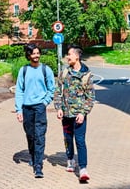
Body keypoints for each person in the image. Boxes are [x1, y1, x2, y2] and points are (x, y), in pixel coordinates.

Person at [54, 45, 95, 182]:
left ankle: (83, 168)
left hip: (79, 115)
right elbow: (58, 91)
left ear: (77, 56)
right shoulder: (64, 73)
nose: (67, 56)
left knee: (80, 140)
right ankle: (70, 159)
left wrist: (83, 113)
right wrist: (58, 107)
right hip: (66, 114)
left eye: (69, 54)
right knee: (67, 139)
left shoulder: (86, 75)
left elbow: (90, 98)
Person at [14, 43, 56, 178]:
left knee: (39, 135)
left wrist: (45, 102)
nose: (36, 56)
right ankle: (32, 156)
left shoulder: (46, 70)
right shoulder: (23, 70)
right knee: (30, 135)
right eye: (33, 53)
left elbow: (52, 89)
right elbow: (19, 90)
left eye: (38, 53)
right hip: (26, 108)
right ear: (28, 55)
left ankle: (38, 166)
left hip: (39, 107)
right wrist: (18, 110)